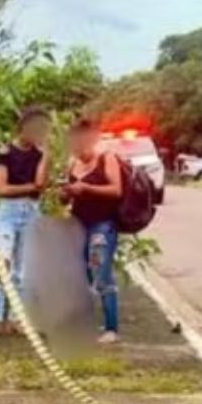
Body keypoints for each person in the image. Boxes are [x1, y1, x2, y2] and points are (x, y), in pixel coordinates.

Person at [0, 106, 51, 338]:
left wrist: (46, 156)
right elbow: (2, 188)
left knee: (25, 269)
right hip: (8, 212)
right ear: (24, 127)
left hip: (32, 211)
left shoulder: (40, 154)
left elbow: (41, 184)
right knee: (2, 265)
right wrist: (29, 188)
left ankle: (18, 320)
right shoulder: (5, 152)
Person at [64, 117, 124, 345]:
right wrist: (66, 193)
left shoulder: (107, 159)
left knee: (101, 272)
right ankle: (86, 322)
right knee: (82, 274)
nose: (78, 151)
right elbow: (67, 193)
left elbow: (116, 190)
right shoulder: (72, 163)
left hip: (102, 224)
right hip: (78, 223)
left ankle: (111, 328)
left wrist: (86, 187)